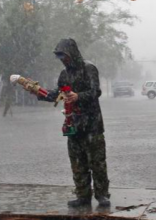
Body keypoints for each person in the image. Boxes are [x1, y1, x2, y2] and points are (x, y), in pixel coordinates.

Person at [38, 39, 110, 208]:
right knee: (78, 163)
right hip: (74, 125)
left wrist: (78, 96)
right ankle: (83, 195)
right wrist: (40, 93)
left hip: (92, 124)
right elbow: (58, 95)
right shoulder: (64, 75)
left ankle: (102, 195)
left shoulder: (89, 68)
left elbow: (95, 91)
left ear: (72, 53)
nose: (63, 59)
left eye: (64, 55)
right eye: (59, 56)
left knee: (97, 162)